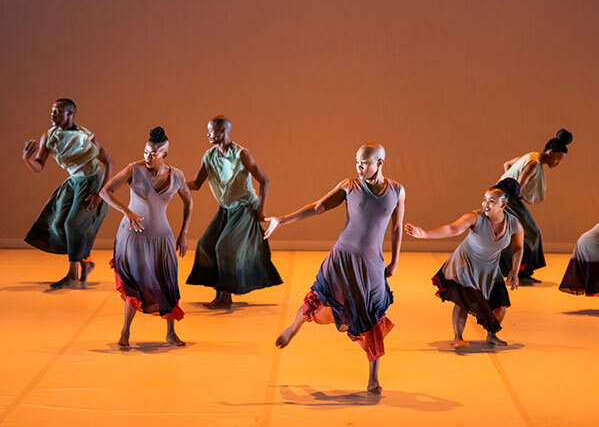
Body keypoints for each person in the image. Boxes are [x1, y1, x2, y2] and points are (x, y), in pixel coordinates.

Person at [264, 142, 405, 394]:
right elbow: (318, 207)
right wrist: (283, 220)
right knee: (320, 294)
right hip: (342, 256)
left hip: (371, 263)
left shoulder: (396, 190)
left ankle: (373, 377)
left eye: (364, 162)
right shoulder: (349, 186)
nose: (359, 167)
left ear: (380, 163)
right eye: (357, 161)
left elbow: (396, 227)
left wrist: (394, 260)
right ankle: (293, 327)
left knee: (371, 316)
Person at [99, 127, 192, 349]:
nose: (148, 156)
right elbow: (105, 191)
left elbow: (189, 201)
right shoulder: (134, 170)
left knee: (168, 283)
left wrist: (184, 232)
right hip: (134, 237)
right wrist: (126, 211)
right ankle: (125, 332)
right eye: (146, 151)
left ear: (164, 154)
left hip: (162, 239)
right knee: (134, 283)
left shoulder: (177, 176)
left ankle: (171, 333)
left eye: (153, 153)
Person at [404, 179, 524, 347]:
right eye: (484, 199)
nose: (485, 204)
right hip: (465, 265)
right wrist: (424, 234)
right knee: (463, 302)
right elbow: (452, 229)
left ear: (503, 203)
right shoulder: (475, 218)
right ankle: (458, 337)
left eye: (491, 201)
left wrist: (515, 271)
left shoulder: (513, 223)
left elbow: (518, 247)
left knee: (500, 307)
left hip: (489, 269)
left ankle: (491, 336)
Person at [186, 116, 282, 308]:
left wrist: (260, 212)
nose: (208, 134)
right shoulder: (209, 156)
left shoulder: (241, 154)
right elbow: (196, 184)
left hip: (245, 207)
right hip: (226, 208)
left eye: (211, 130)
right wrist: (172, 182)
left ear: (223, 131)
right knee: (206, 244)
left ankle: (225, 298)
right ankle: (219, 293)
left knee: (224, 247)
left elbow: (264, 181)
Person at [22, 98, 113, 289]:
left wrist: (99, 193)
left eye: (57, 111)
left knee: (72, 224)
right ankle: (85, 264)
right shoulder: (49, 136)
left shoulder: (85, 136)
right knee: (57, 224)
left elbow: (109, 162)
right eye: (52, 111)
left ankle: (72, 276)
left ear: (70, 114)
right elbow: (39, 165)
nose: (52, 114)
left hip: (91, 182)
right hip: (73, 182)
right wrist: (27, 159)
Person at [498, 128, 573, 285]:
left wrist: (508, 178)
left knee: (529, 233)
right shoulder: (534, 164)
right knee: (531, 233)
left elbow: (507, 164)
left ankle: (522, 271)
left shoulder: (531, 156)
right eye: (558, 159)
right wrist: (512, 188)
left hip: (506, 197)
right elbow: (519, 185)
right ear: (551, 153)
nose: (557, 164)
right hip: (507, 199)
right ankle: (518, 272)